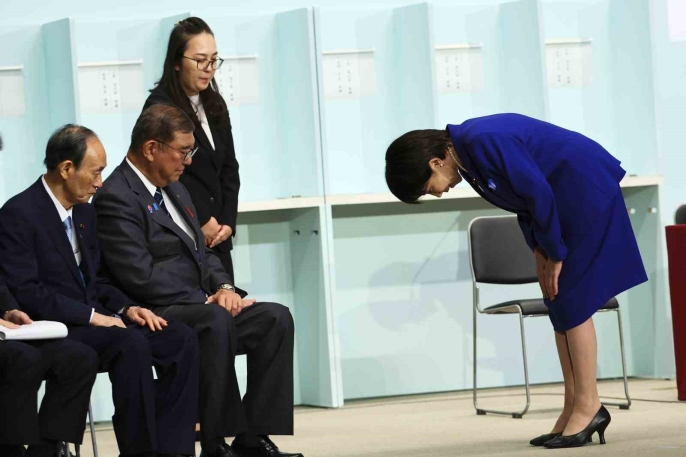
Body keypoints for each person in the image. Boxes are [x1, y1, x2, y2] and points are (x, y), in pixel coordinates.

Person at [385, 113, 648, 449]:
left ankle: (589, 406)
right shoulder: (467, 156)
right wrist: (539, 249)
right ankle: (574, 406)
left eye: (427, 189)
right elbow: (522, 204)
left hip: (584, 189)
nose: (437, 194)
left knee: (573, 299)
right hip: (563, 198)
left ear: (435, 163)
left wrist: (555, 252)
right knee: (558, 301)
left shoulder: (480, 141)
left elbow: (537, 193)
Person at [93, 104, 301, 457]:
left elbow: (203, 253)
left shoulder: (175, 187)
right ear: (151, 148)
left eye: (191, 152)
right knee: (214, 320)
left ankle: (253, 437)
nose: (187, 162)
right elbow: (139, 275)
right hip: (155, 310)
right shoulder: (117, 196)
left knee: (275, 318)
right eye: (183, 151)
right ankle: (214, 442)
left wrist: (225, 288)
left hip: (198, 304)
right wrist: (203, 298)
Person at [0, 125, 200, 457]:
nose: (100, 183)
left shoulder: (85, 212)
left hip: (97, 320)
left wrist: (126, 309)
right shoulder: (19, 214)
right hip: (57, 325)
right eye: (95, 172)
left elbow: (100, 280)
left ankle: (174, 449)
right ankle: (140, 452)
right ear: (66, 169)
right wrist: (92, 316)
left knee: (178, 338)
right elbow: (28, 291)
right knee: (129, 344)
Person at [0, 133, 98, 457]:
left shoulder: (84, 213)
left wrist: (8, 309)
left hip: (6, 328)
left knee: (78, 358)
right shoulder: (18, 212)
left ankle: (45, 451)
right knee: (23, 359)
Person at [145, 16, 239, 284]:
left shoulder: (214, 102)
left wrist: (227, 222)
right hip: (183, 236)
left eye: (214, 60)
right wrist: (201, 219)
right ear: (176, 61)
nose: (208, 69)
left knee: (230, 302)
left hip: (218, 235)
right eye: (200, 60)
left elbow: (229, 167)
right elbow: (165, 175)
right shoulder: (159, 108)